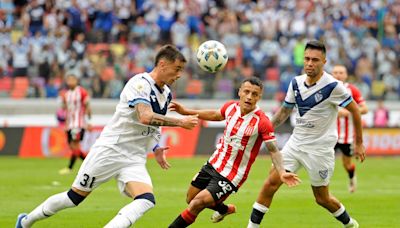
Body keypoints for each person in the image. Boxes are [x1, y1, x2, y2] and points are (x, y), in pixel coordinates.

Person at [16, 45, 199, 228]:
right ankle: (26, 221)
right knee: (73, 198)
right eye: (177, 69)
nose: (179, 75)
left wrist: (155, 147)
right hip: (110, 150)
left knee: (146, 199)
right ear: (162, 65)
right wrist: (180, 122)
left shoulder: (166, 94)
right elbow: (145, 116)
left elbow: (154, 125)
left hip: (134, 158)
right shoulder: (140, 84)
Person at [247, 41, 366, 228]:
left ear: (324, 62)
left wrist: (359, 143)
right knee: (270, 183)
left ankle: (350, 224)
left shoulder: (334, 86)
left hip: (319, 150)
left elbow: (356, 111)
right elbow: (284, 112)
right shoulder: (295, 83)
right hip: (295, 144)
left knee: (322, 198)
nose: (310, 63)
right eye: (307, 59)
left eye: (315, 60)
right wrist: (263, 130)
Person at [168, 77, 301, 228]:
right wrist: (186, 111)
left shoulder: (262, 121)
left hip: (232, 175)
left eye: (255, 94)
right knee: (190, 198)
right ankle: (224, 209)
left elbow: (274, 150)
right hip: (213, 163)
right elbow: (215, 114)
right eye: (247, 92)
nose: (250, 97)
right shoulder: (231, 107)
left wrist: (282, 172)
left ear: (259, 97)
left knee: (196, 204)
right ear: (240, 92)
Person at [332, 65, 368, 193]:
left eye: (341, 72)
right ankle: (322, 187)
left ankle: (352, 178)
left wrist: (349, 112)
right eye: (335, 72)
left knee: (346, 164)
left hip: (346, 136)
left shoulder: (352, 90)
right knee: (323, 161)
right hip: (329, 134)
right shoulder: (326, 89)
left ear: (346, 75)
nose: (338, 75)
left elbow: (365, 109)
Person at [58, 72, 92, 175]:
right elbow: (64, 109)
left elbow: (87, 106)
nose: (70, 82)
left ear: (76, 81)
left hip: (79, 124)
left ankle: (70, 168)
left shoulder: (81, 92)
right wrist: (64, 124)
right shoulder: (66, 94)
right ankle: (90, 165)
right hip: (70, 125)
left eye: (72, 80)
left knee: (75, 145)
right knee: (73, 147)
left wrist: (89, 122)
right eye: (69, 80)